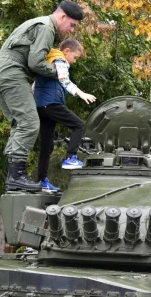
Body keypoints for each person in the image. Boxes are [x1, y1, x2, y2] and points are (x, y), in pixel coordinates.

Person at [0, 1, 84, 192]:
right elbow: (35, 62)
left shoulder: (39, 24)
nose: (71, 29)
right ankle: (17, 176)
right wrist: (59, 74)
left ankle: (13, 176)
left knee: (19, 122)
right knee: (30, 123)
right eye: (72, 24)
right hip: (12, 73)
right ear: (62, 17)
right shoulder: (46, 28)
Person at [33, 38, 96, 192]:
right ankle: (70, 158)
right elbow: (64, 80)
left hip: (41, 106)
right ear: (66, 51)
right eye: (75, 57)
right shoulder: (60, 60)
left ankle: (41, 181)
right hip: (52, 103)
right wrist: (80, 93)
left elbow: (34, 86)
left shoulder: (48, 59)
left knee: (47, 145)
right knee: (79, 125)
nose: (74, 62)